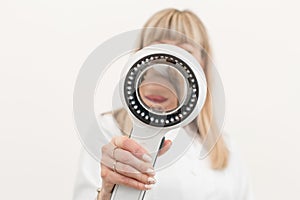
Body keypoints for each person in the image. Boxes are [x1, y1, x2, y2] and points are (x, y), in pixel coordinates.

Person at [73, 8, 253, 200]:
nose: (166, 67)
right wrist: (108, 193)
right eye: (159, 50)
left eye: (184, 53)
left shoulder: (224, 147)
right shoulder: (109, 130)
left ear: (202, 67)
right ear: (140, 60)